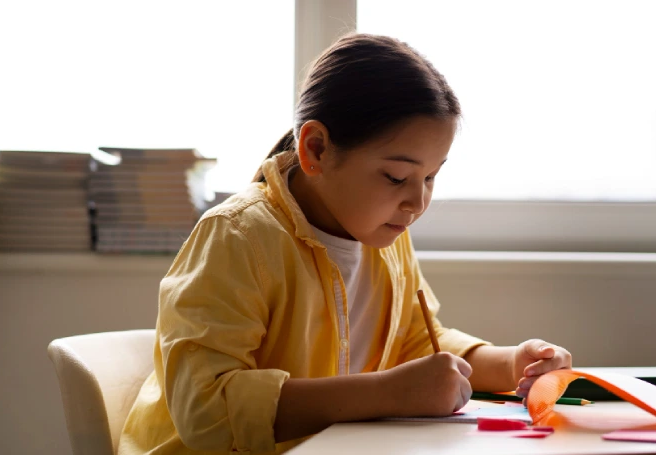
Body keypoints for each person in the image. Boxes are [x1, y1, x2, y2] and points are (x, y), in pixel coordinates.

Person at [118, 33, 572, 455]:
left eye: (431, 176)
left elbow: (419, 342)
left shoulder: (385, 233)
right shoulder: (238, 236)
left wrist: (513, 363)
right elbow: (207, 410)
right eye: (396, 176)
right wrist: (388, 392)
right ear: (315, 149)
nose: (417, 201)